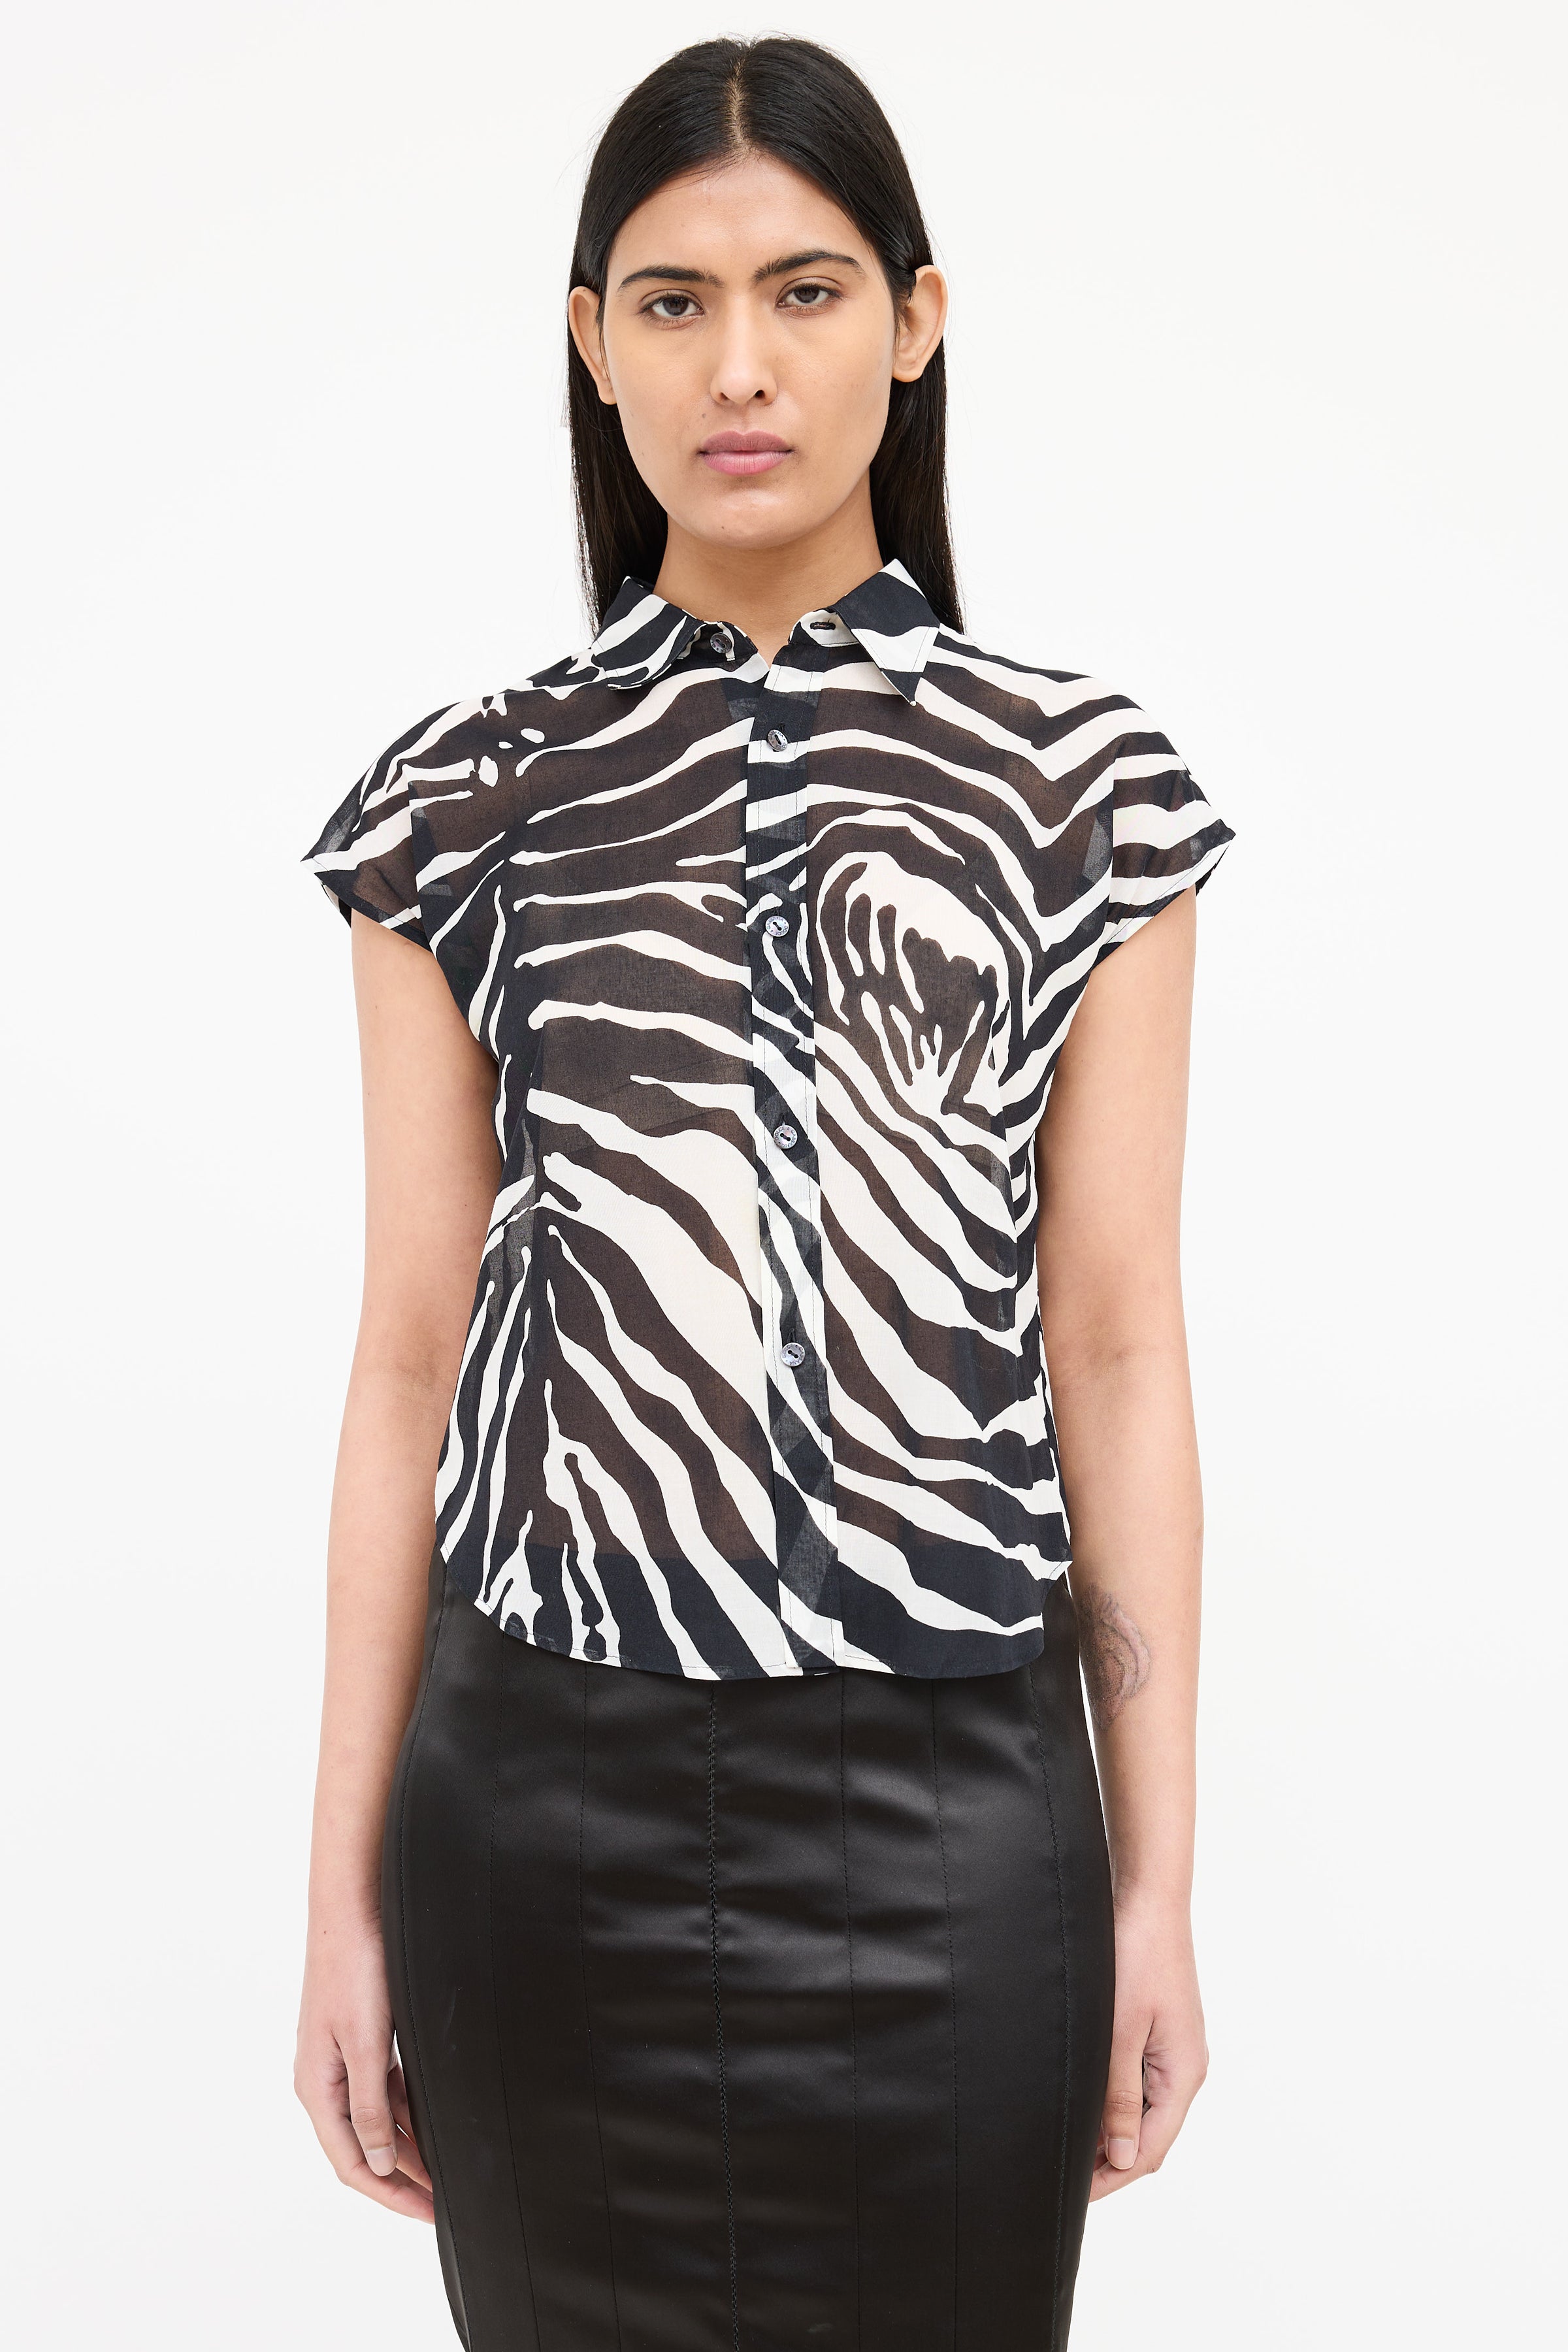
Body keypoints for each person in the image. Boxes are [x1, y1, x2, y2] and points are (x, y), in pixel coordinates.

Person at [294, 34, 1233, 2352]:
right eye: (674, 300)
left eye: (806, 293)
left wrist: (1157, 1888)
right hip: (541, 1819)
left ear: (915, 322)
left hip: (958, 1822)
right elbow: (412, 1348)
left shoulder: (1085, 790)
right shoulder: (462, 799)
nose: (741, 365)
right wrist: (337, 1901)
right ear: (592, 341)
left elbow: (1116, 1337)